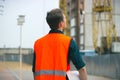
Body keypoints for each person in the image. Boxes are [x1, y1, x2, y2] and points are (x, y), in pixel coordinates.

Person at [32, 8, 87, 80]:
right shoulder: (69, 42)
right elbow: (82, 69)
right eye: (64, 18)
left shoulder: (38, 43)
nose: (66, 20)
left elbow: (34, 70)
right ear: (61, 24)